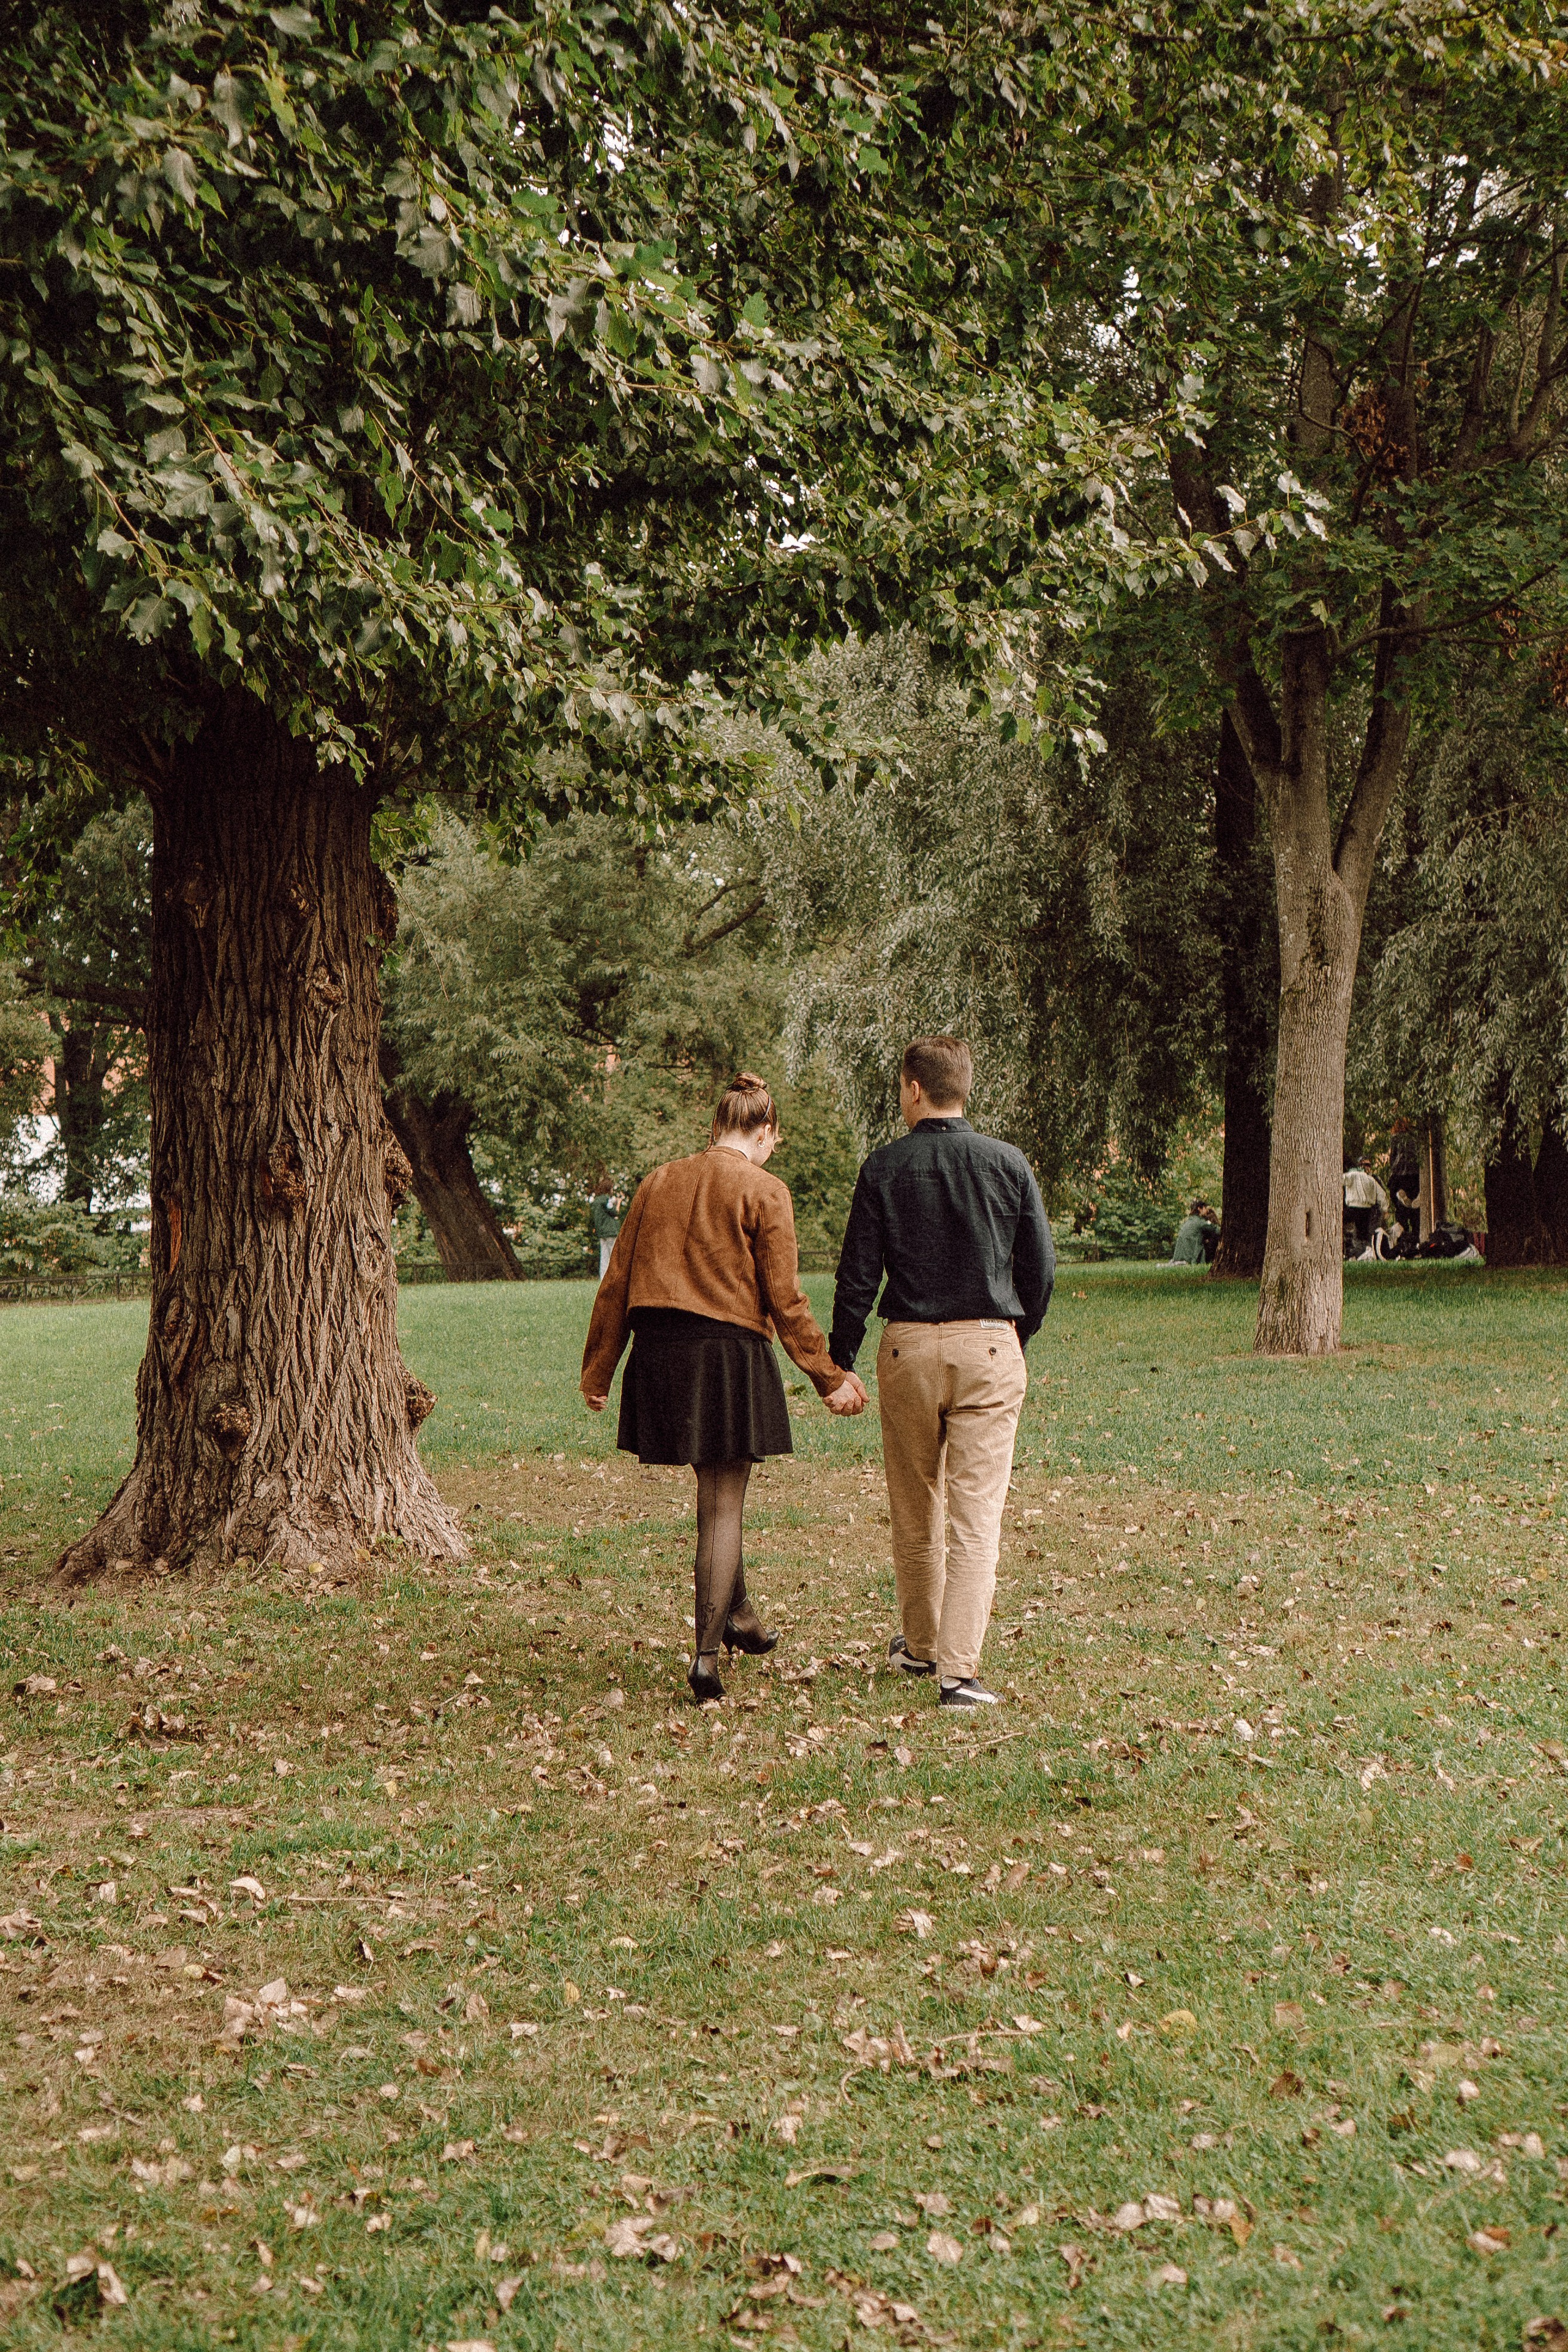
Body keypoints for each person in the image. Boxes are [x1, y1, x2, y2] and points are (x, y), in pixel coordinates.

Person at [580, 1072, 867, 1703]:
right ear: (762, 1132)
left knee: (715, 1493)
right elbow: (785, 1299)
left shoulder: (657, 1181)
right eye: (773, 1141)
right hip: (727, 1353)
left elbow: (618, 1281)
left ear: (717, 1126)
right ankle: (706, 1657)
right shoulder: (765, 1189)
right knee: (722, 1499)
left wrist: (599, 1369)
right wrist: (829, 1377)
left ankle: (739, 1616)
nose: (771, 1152)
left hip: (658, 1355)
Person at [827, 1036, 1055, 1710]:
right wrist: (1016, 1333)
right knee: (976, 1514)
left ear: (912, 1089)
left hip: (906, 1349)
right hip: (988, 1342)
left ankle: (921, 1646)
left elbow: (857, 1275)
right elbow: (1038, 1270)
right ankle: (958, 1671)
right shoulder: (1007, 1164)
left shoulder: (884, 1167)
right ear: (964, 1088)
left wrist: (839, 1358)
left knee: (914, 1501)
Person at [1342, 1158, 1390, 1258]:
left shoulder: (1353, 1175)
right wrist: (1385, 1209)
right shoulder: (1370, 1179)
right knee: (1363, 1234)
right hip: (1366, 1209)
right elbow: (1382, 1195)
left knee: (1358, 1234)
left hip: (1354, 1208)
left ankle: (1360, 1254)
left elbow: (1340, 1180)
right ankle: (1363, 1254)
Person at [1169, 1200, 1220, 1265]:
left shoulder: (1189, 1221)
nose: (1206, 1210)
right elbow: (1217, 1230)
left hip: (1179, 1257)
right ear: (1200, 1209)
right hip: (1189, 1259)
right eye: (1205, 1208)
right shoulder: (1200, 1223)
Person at [589, 1182, 624, 1278]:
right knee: (614, 1256)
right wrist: (619, 1203)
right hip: (610, 1231)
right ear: (608, 1189)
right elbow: (615, 1212)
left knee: (604, 1257)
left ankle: (603, 1278)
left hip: (601, 1232)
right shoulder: (606, 1199)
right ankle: (617, 1278)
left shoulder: (596, 1201)